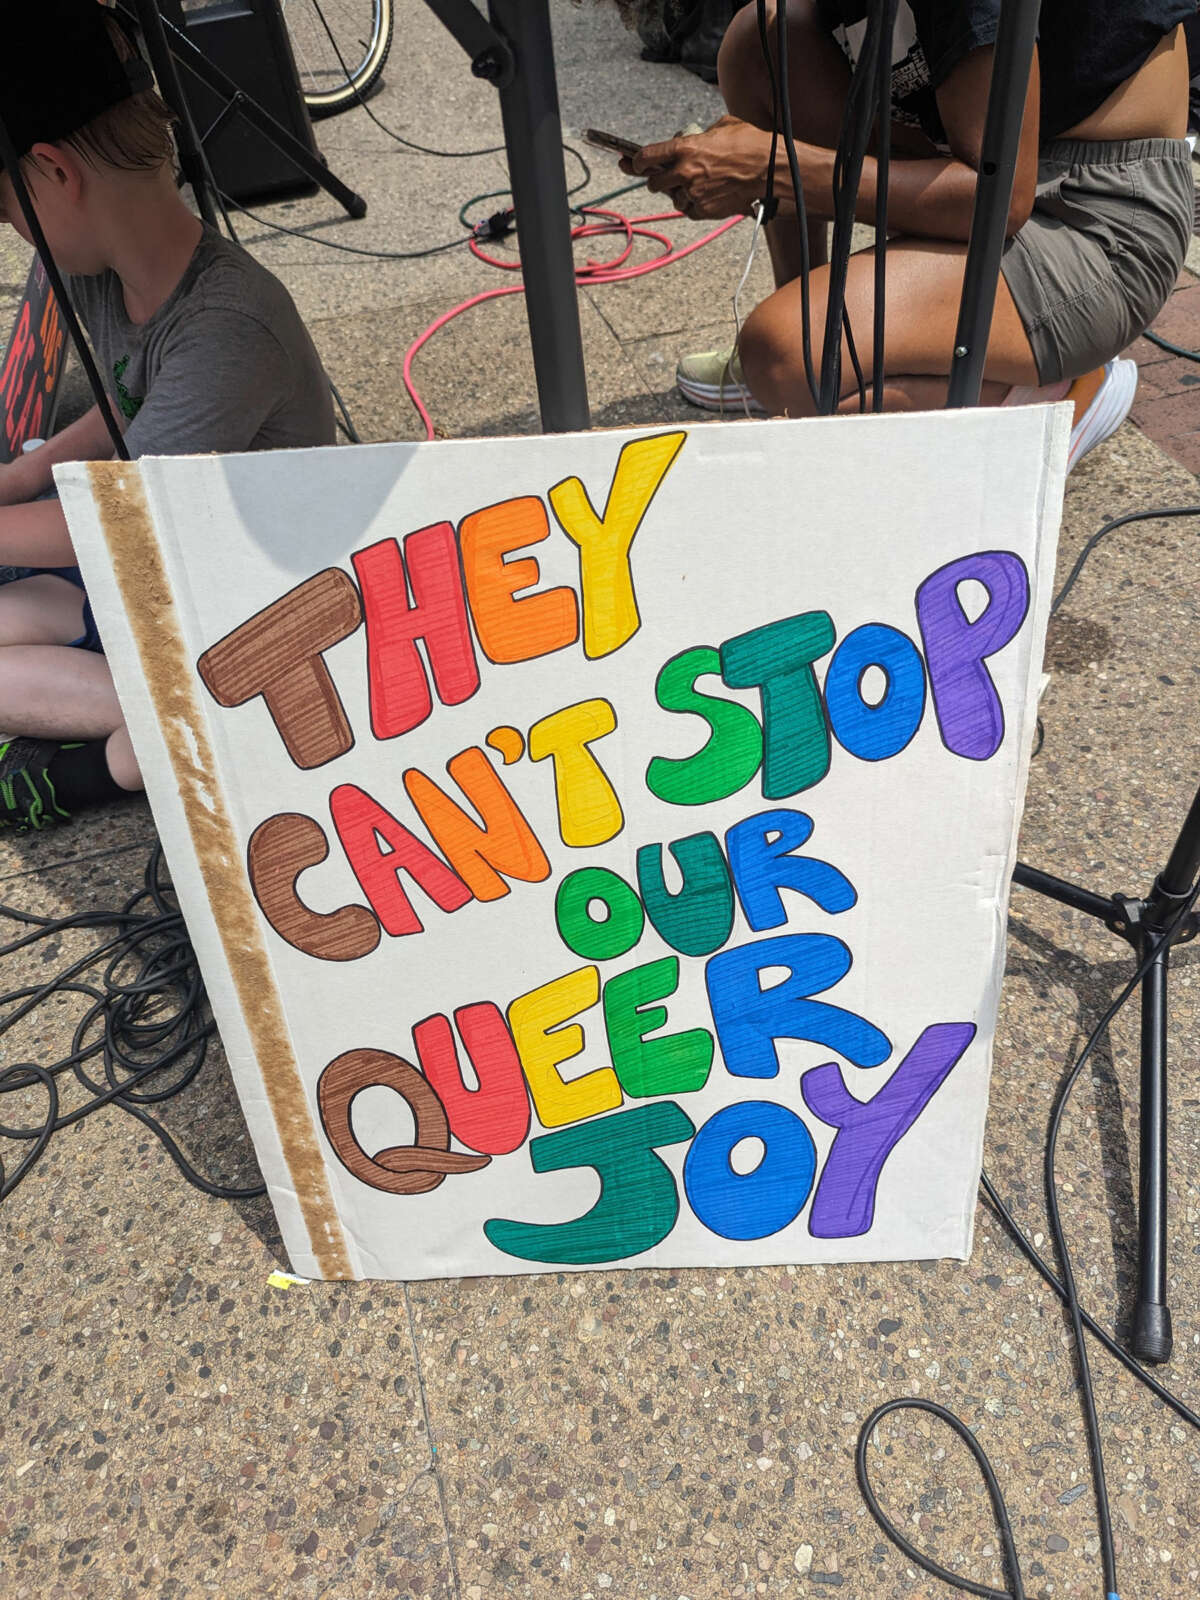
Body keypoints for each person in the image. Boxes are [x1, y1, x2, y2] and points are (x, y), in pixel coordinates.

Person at [0, 0, 335, 832]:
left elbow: (113, 522)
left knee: (223, 713)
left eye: (7, 212)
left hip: (246, 600)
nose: (16, 236)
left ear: (54, 174)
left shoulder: (229, 327)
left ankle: (110, 765)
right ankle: (152, 729)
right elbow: (127, 398)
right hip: (158, 565)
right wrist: (24, 475)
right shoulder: (100, 271)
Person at [622, 1, 1196, 460]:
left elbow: (998, 198)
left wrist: (772, 166)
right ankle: (823, 325)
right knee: (764, 41)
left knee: (782, 355)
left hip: (1097, 214)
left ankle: (1059, 395)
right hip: (993, 158)